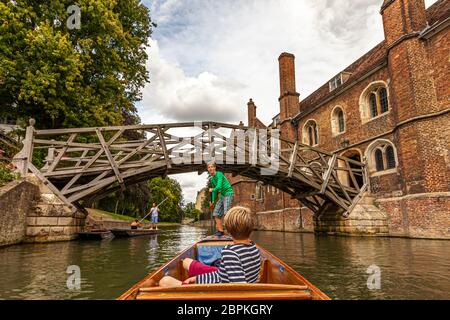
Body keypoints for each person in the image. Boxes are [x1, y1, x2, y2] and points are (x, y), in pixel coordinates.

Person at [159, 206, 261, 287]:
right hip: (223, 286)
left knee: (165, 281)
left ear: (228, 231)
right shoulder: (255, 248)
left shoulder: (230, 252)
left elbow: (240, 289)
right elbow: (222, 274)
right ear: (251, 229)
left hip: (220, 293)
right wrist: (198, 279)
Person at [207, 161, 234, 237]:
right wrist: (212, 201)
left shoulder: (219, 174)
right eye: (209, 167)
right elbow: (214, 192)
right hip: (222, 196)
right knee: (216, 214)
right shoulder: (212, 179)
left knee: (226, 213)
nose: (210, 168)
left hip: (228, 193)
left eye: (212, 167)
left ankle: (232, 231)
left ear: (215, 167)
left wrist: (212, 189)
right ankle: (220, 231)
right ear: (207, 169)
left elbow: (218, 187)